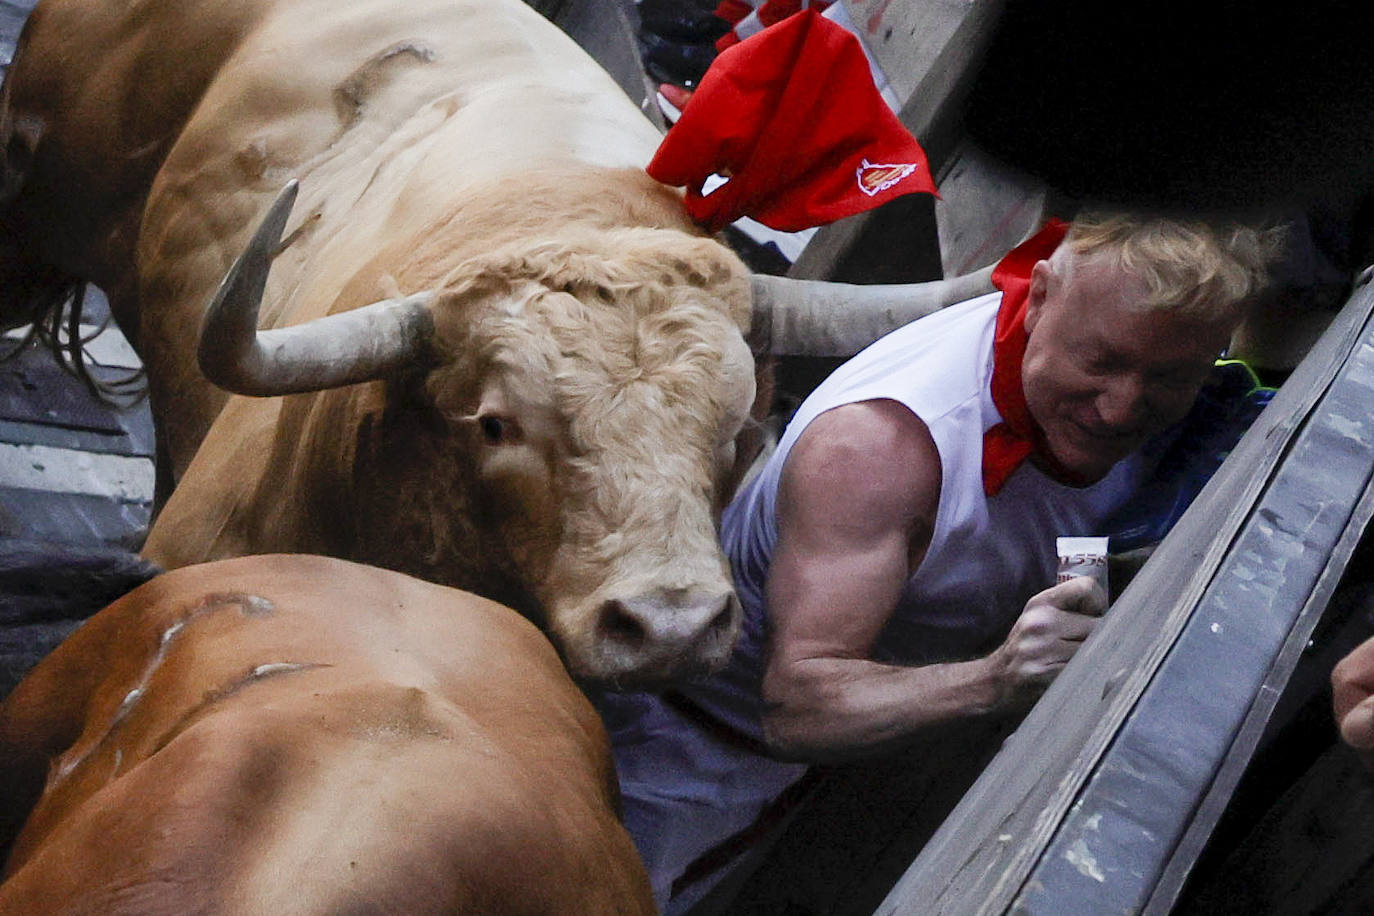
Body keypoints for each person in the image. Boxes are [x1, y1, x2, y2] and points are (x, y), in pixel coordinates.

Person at [592, 211, 1281, 913]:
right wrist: (996, 677)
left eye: (1170, 377)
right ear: (1040, 296)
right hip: (672, 756)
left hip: (822, 763)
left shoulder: (1156, 366)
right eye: (1099, 362)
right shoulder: (876, 450)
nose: (1120, 408)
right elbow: (796, 707)